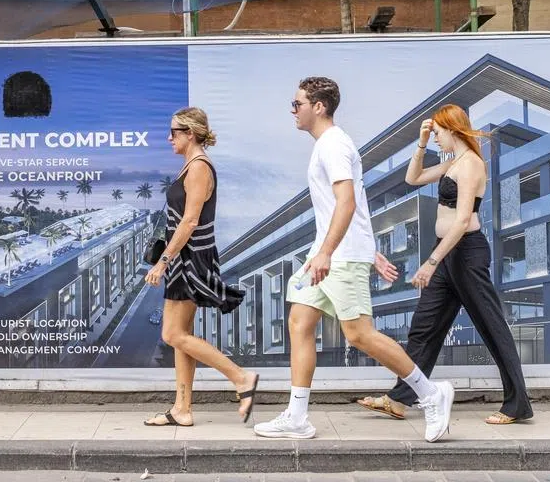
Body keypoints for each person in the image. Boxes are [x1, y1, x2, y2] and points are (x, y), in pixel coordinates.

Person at [254, 77, 455, 442]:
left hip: (338, 256)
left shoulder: (333, 145)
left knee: (359, 334)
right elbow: (353, 206)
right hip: (334, 251)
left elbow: (347, 202)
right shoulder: (328, 146)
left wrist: (333, 252)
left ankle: (430, 394)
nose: (292, 110)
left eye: (296, 103)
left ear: (318, 106)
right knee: (300, 321)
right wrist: (369, 249)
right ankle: (297, 416)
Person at [357, 104, 533, 425]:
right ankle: (399, 399)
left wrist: (431, 262)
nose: (437, 139)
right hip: (446, 251)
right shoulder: (453, 163)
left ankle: (517, 404)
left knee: (491, 327)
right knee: (424, 328)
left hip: (466, 254)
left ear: (452, 129)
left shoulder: (471, 166)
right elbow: (413, 178)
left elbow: (464, 218)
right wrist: (421, 142)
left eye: (438, 133)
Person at [144, 106, 259, 428]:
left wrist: (163, 261)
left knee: (171, 334)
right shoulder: (191, 166)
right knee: (181, 335)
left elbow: (191, 220)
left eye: (174, 132)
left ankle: (240, 377)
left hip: (189, 259)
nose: (169, 138)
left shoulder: (199, 168)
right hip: (187, 257)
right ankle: (182, 408)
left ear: (190, 134)